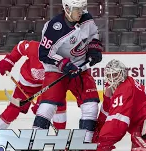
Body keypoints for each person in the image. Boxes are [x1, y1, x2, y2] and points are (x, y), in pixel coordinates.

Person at [31, 0, 102, 143]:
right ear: (67, 8)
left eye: (82, 8)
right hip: (56, 70)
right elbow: (44, 53)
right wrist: (63, 64)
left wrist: (94, 49)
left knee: (91, 106)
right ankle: (34, 142)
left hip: (80, 68)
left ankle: (85, 143)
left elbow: (94, 34)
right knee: (48, 106)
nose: (80, 11)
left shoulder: (86, 18)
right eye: (77, 9)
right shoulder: (54, 27)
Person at [0, 40, 67, 148]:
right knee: (13, 109)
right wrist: (9, 60)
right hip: (26, 83)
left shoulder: (62, 58)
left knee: (59, 106)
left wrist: (42, 102)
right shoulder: (33, 47)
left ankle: (61, 138)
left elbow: (56, 84)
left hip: (49, 86)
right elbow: (19, 47)